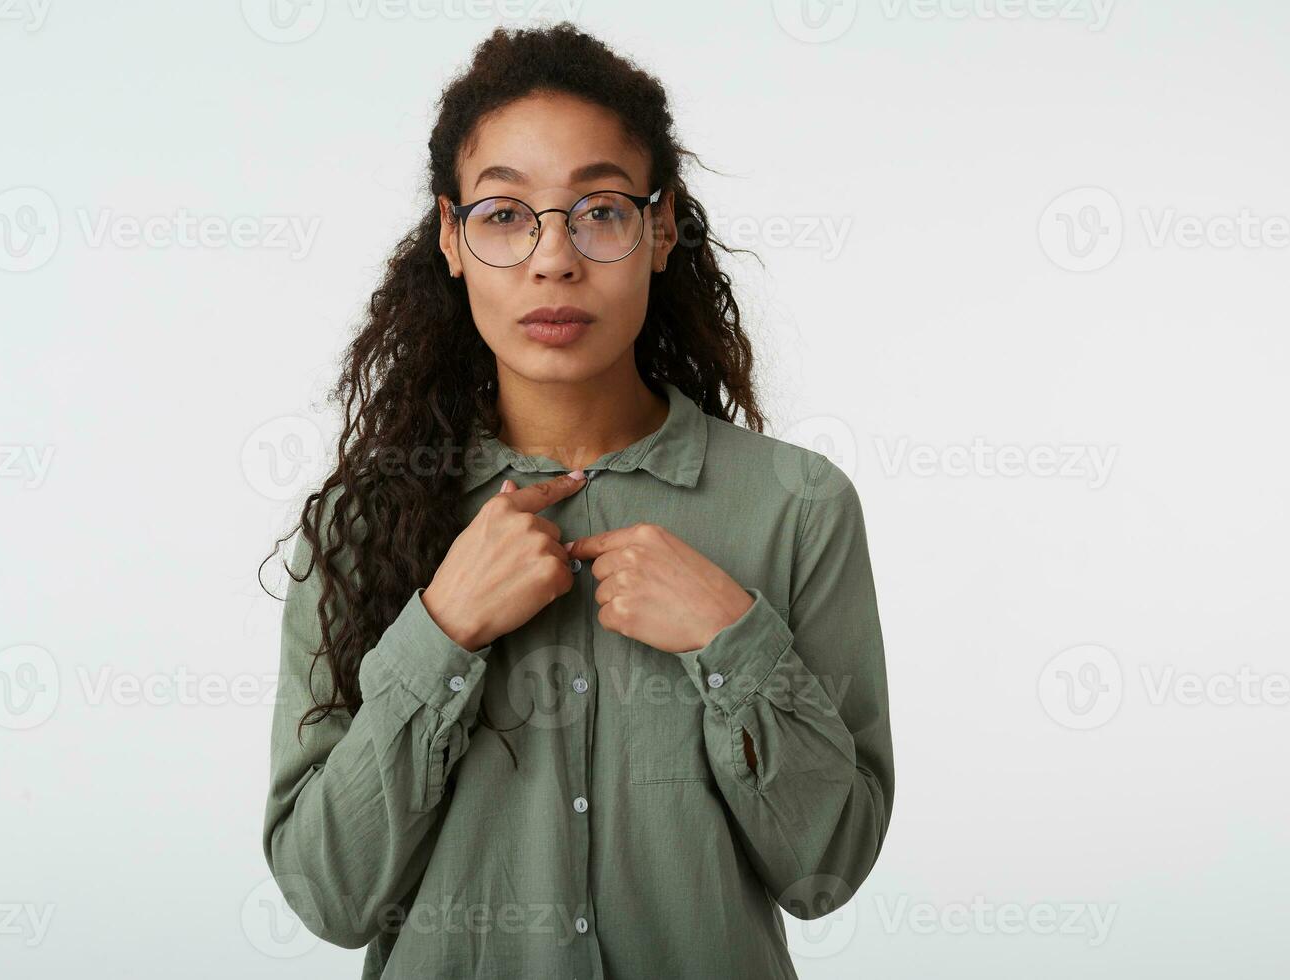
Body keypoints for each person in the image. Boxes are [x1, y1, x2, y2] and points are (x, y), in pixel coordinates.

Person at [260, 21, 894, 979]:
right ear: (451, 238)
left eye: (598, 209)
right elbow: (331, 895)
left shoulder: (798, 507)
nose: (553, 259)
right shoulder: (360, 525)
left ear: (661, 226)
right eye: (507, 215)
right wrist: (441, 630)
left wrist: (735, 642)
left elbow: (827, 870)